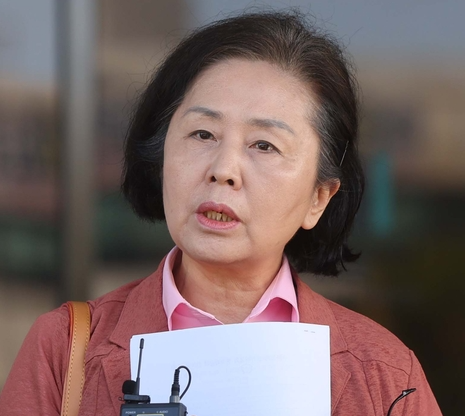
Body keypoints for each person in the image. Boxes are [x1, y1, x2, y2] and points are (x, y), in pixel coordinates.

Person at [0, 10, 442, 415]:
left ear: (319, 198)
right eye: (203, 134)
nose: (223, 170)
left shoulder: (385, 375)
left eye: (264, 145)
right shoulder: (64, 350)